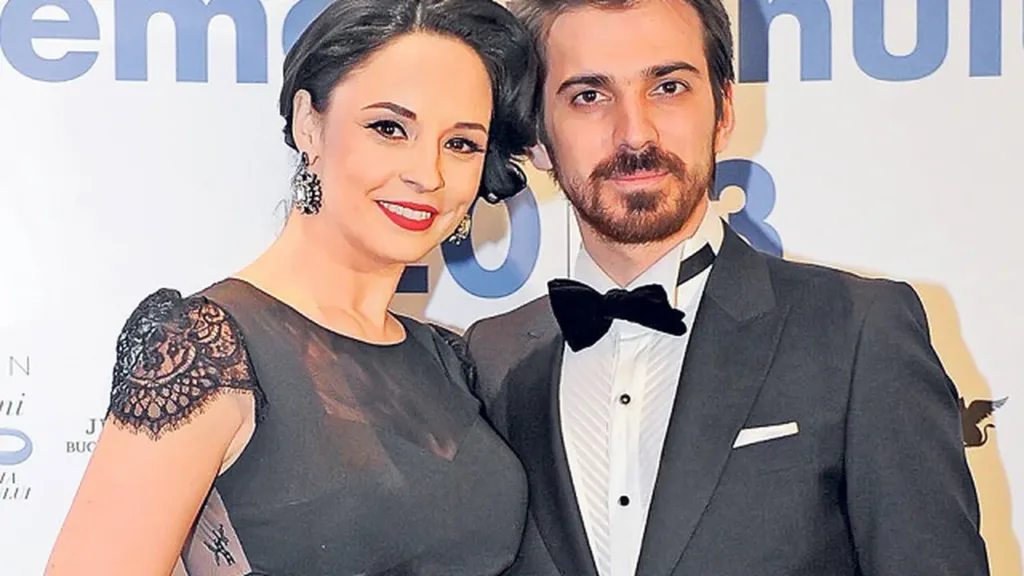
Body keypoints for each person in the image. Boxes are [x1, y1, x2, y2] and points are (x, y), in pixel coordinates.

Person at [464, 0, 991, 575]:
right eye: (590, 96)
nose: (635, 132)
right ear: (537, 139)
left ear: (724, 110)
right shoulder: (488, 360)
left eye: (668, 87)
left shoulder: (858, 331)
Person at [45, 0, 537, 574]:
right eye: (389, 128)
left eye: (461, 144)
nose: (427, 174)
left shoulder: (447, 359)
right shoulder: (206, 348)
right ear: (309, 123)